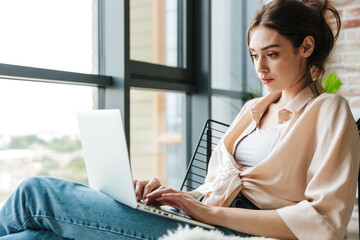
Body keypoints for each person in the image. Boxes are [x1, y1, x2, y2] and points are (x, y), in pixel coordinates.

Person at [1, 0, 359, 239]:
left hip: (240, 231)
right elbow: (214, 192)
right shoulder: (253, 111)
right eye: (253, 54)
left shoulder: (328, 110)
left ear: (306, 48)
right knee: (36, 235)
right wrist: (174, 197)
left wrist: (204, 213)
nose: (259, 67)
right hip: (208, 218)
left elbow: (323, 222)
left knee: (36, 193)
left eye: (272, 54)